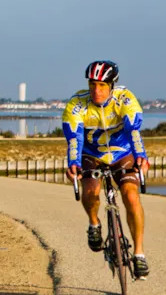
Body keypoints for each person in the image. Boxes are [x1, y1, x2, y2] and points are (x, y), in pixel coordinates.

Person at [63, 60, 151, 278]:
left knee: (131, 197)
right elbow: (74, 137)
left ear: (112, 85)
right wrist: (73, 163)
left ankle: (139, 254)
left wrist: (141, 157)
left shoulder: (125, 99)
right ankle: (94, 223)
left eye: (102, 85)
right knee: (90, 191)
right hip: (92, 153)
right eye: (92, 84)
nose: (96, 90)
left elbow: (134, 131)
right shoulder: (77, 104)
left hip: (122, 152)